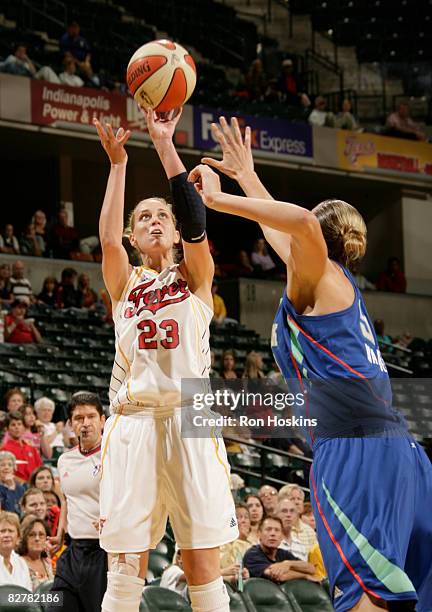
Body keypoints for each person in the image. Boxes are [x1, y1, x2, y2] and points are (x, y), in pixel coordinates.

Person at [192, 116, 432, 612]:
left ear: (320, 240)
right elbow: (288, 234)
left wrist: (218, 200)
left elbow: (297, 224)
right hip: (399, 451)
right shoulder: (331, 285)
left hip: (354, 448)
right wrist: (247, 174)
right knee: (404, 590)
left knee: (367, 593)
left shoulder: (319, 277)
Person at [94, 109, 237, 612]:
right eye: (143, 218)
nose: (154, 222)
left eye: (162, 217)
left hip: (190, 413)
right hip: (134, 420)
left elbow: (197, 221)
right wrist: (118, 165)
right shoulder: (124, 284)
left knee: (203, 564)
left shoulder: (196, 276)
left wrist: (164, 144)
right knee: (125, 565)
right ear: (136, 237)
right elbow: (107, 240)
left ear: (176, 234)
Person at [46, 392, 107, 612]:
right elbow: (67, 501)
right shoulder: (65, 460)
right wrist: (60, 535)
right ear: (71, 424)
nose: (86, 423)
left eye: (91, 416)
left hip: (104, 554)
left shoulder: (115, 456)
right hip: (72, 552)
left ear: (102, 421)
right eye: (79, 418)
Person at [243, 516, 317, 582]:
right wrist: (305, 576)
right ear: (259, 534)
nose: (273, 534)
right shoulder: (252, 554)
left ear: (282, 537)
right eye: (268, 529)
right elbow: (279, 576)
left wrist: (289, 564)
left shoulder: (283, 554)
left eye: (277, 530)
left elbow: (311, 569)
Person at [1, 413, 43, 482]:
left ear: (24, 428)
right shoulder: (4, 450)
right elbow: (5, 474)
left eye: (19, 424)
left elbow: (40, 469)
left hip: (35, 486)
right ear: (7, 429)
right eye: (13, 425)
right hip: (16, 487)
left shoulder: (32, 449)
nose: (17, 427)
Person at [17, 517, 54, 590]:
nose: (37, 538)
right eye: (32, 534)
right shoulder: (18, 563)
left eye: (41, 534)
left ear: (46, 539)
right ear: (24, 539)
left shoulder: (48, 562)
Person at [0, 511, 32, 589]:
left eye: (10, 531)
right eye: (2, 531)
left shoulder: (21, 563)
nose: (6, 535)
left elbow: (28, 594)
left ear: (18, 538)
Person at [220, 504, 255, 569]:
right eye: (237, 517)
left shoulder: (255, 543)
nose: (243, 520)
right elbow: (228, 566)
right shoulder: (222, 543)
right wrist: (240, 539)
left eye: (246, 517)